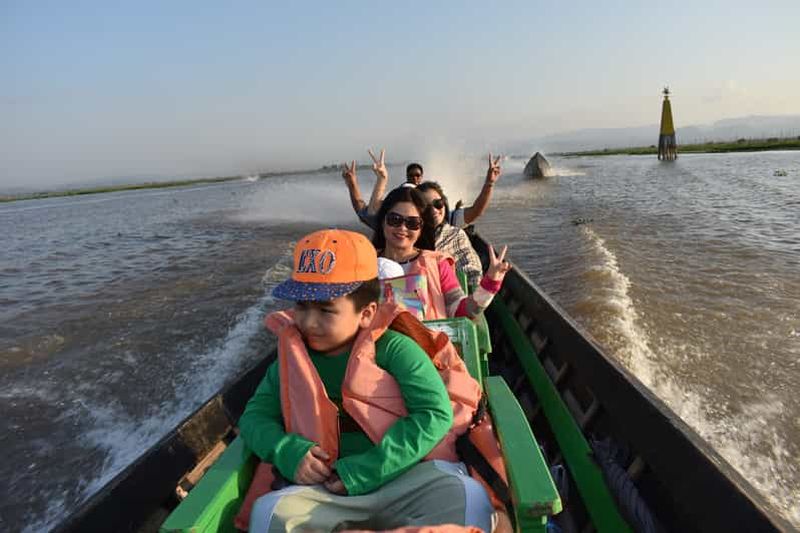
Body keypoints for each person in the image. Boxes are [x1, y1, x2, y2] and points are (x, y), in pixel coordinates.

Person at [237, 229, 499, 532]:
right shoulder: (292, 357)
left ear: (367, 313)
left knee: (468, 499)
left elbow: (434, 414)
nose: (308, 322)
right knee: (269, 513)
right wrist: (288, 451)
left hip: (408, 476)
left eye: (325, 310)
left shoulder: (394, 348)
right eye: (301, 307)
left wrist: (365, 470)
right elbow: (254, 418)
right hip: (327, 489)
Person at [372, 186, 511, 320]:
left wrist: (490, 283)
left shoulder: (437, 264)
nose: (402, 228)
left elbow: (460, 310)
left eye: (412, 223)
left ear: (421, 229)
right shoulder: (365, 261)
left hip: (427, 342)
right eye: (394, 220)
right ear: (383, 221)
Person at [342, 150, 503, 230]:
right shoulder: (398, 226)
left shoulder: (446, 220)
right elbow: (367, 212)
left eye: (438, 203)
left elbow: (476, 211)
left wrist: (489, 183)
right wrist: (355, 183)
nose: (434, 209)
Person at [417, 181, 483, 289]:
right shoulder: (410, 237)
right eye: (426, 207)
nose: (434, 210)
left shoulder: (455, 235)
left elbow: (472, 271)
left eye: (438, 204)